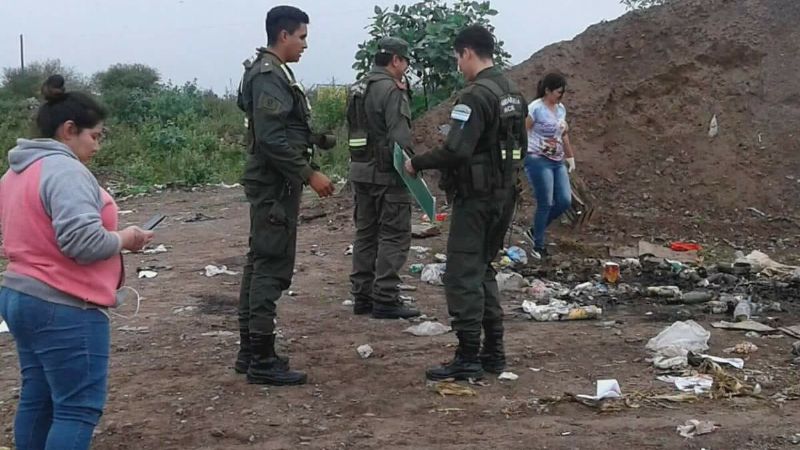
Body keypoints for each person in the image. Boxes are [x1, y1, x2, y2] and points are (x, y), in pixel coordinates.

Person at [0, 75, 154, 450]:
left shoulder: (16, 172)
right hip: (63, 305)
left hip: (20, 295)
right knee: (77, 409)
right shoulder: (65, 171)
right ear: (69, 130)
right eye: (95, 136)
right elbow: (82, 242)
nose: (98, 146)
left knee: (40, 397)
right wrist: (125, 239)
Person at [405, 25, 527, 380]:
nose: (459, 65)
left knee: (461, 275)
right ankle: (494, 353)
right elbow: (521, 144)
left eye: (458, 58)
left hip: (477, 199)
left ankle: (469, 356)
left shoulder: (475, 96)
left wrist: (418, 163)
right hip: (504, 195)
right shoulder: (513, 93)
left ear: (467, 53)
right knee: (483, 268)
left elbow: (457, 149)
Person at [235, 5, 336, 386]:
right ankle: (261, 358)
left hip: (274, 182)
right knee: (270, 265)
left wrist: (312, 140)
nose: (305, 45)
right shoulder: (267, 76)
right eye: (302, 37)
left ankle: (251, 352)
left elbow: (280, 129)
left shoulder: (273, 74)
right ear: (283, 35)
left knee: (260, 260)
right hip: (275, 185)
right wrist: (310, 174)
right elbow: (271, 139)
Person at [346, 37, 421, 320]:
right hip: (388, 174)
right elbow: (399, 137)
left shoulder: (358, 87)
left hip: (360, 171)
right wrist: (412, 168)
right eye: (405, 61)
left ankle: (362, 296)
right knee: (394, 234)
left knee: (366, 233)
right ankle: (386, 297)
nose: (406, 67)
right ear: (395, 60)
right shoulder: (392, 90)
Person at [522, 72, 576, 259]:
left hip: (556, 159)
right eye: (557, 92)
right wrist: (518, 155)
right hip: (537, 158)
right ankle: (538, 245)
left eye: (562, 93)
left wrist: (570, 156)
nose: (560, 96)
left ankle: (535, 229)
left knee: (564, 200)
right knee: (545, 201)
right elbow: (523, 130)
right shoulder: (535, 109)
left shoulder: (561, 109)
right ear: (547, 90)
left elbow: (563, 133)